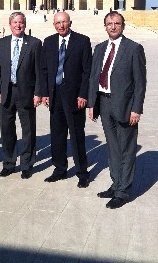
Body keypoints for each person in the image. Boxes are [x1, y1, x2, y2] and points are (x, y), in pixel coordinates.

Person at [87, 11, 147, 209]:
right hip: (104, 103)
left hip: (125, 106)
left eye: (117, 23)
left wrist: (136, 109)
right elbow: (94, 76)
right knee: (112, 147)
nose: (113, 27)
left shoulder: (133, 49)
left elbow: (140, 83)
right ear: (104, 26)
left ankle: (123, 191)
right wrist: (92, 103)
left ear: (123, 25)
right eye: (109, 23)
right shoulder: (100, 48)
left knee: (127, 149)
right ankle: (115, 184)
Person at [39, 11, 92, 188]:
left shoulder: (82, 41)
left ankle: (82, 172)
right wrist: (45, 93)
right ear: (53, 24)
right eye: (57, 23)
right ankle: (59, 169)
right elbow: (44, 70)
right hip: (55, 96)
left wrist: (83, 94)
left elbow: (87, 72)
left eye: (64, 22)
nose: (61, 26)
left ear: (70, 22)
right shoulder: (49, 42)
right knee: (57, 135)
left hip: (75, 97)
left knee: (77, 136)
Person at [0, 12, 42, 180]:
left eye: (21, 22)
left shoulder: (34, 43)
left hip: (26, 93)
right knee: (7, 129)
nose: (18, 25)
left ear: (25, 24)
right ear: (10, 24)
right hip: (7, 92)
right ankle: (9, 163)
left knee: (28, 130)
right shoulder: (1, 43)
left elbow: (39, 71)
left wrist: (38, 93)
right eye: (15, 22)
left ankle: (27, 164)